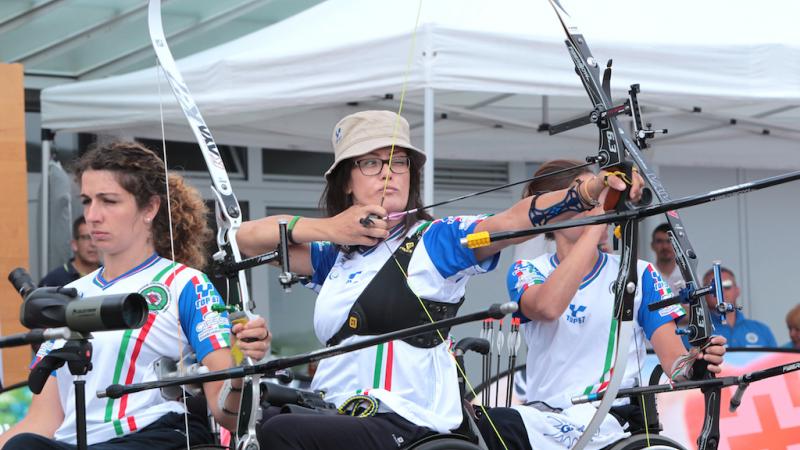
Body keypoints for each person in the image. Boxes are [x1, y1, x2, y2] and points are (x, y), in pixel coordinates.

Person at [235, 110, 645, 450]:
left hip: (407, 422)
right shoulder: (332, 256)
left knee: (280, 433)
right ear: (346, 181)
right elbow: (246, 239)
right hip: (337, 411)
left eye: (398, 162)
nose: (388, 174)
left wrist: (589, 191)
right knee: (254, 418)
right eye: (371, 163)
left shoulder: (435, 243)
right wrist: (331, 229)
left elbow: (511, 221)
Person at [0, 142, 270, 450]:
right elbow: (41, 421)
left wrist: (242, 357)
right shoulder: (69, 296)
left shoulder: (186, 284)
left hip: (156, 437)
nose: (93, 216)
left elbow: (229, 415)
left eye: (109, 201)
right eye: (87, 201)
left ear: (150, 208)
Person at [476, 159, 727, 450]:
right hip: (544, 425)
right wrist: (598, 221)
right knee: (488, 424)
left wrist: (697, 363)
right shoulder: (527, 271)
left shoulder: (640, 272)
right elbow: (547, 307)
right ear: (554, 213)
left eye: (600, 196)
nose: (601, 205)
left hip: (612, 424)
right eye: (587, 197)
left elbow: (676, 365)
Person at [700, 267, 777, 348]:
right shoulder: (695, 334)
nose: (721, 291)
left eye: (727, 285)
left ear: (737, 290)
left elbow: (776, 360)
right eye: (714, 287)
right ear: (703, 294)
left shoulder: (763, 330)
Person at [39, 216, 100, 287]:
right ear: (74, 245)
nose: (93, 244)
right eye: (86, 238)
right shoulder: (54, 281)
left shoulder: (110, 277)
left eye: (97, 237)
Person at [650, 223, 684, 294]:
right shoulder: (646, 276)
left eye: (669, 241)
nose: (665, 246)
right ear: (652, 245)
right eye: (659, 241)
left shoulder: (689, 277)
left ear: (678, 245)